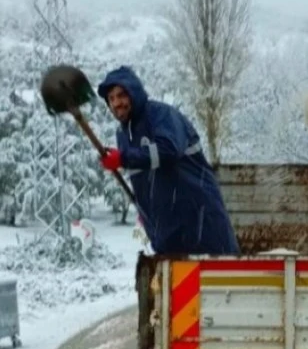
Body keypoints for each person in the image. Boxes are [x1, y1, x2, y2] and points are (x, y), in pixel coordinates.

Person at [96, 65, 240, 256]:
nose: (116, 103)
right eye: (111, 98)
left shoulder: (161, 115)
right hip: (167, 239)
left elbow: (169, 150)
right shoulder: (123, 135)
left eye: (122, 95)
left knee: (218, 284)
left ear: (134, 92)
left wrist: (123, 158)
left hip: (201, 227)